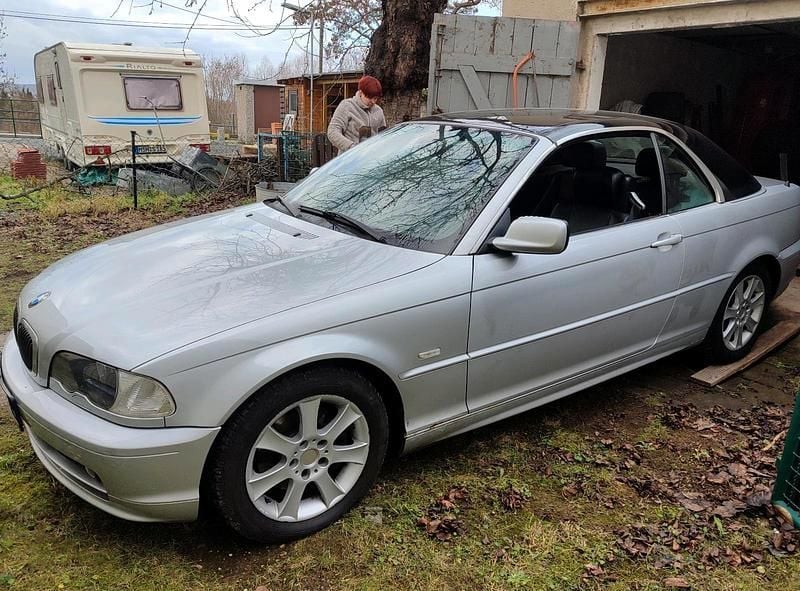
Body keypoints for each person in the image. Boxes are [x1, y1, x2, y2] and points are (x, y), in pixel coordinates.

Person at [327, 75, 387, 153]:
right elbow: (332, 131)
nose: (373, 101)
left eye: (375, 98)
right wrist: (351, 147)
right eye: (369, 98)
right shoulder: (347, 106)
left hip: (371, 159)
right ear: (361, 93)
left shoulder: (378, 111)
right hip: (349, 159)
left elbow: (383, 136)